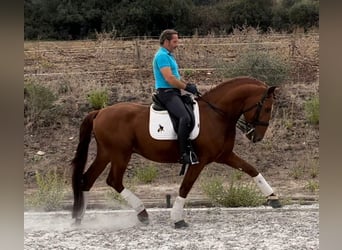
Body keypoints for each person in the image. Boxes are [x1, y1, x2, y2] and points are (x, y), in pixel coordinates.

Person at [152, 29, 199, 165]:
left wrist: (188, 85)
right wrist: (186, 87)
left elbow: (176, 77)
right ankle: (183, 153)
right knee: (184, 117)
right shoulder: (162, 56)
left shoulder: (169, 55)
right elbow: (169, 78)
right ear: (166, 41)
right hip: (166, 92)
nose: (177, 44)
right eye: (175, 41)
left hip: (174, 92)